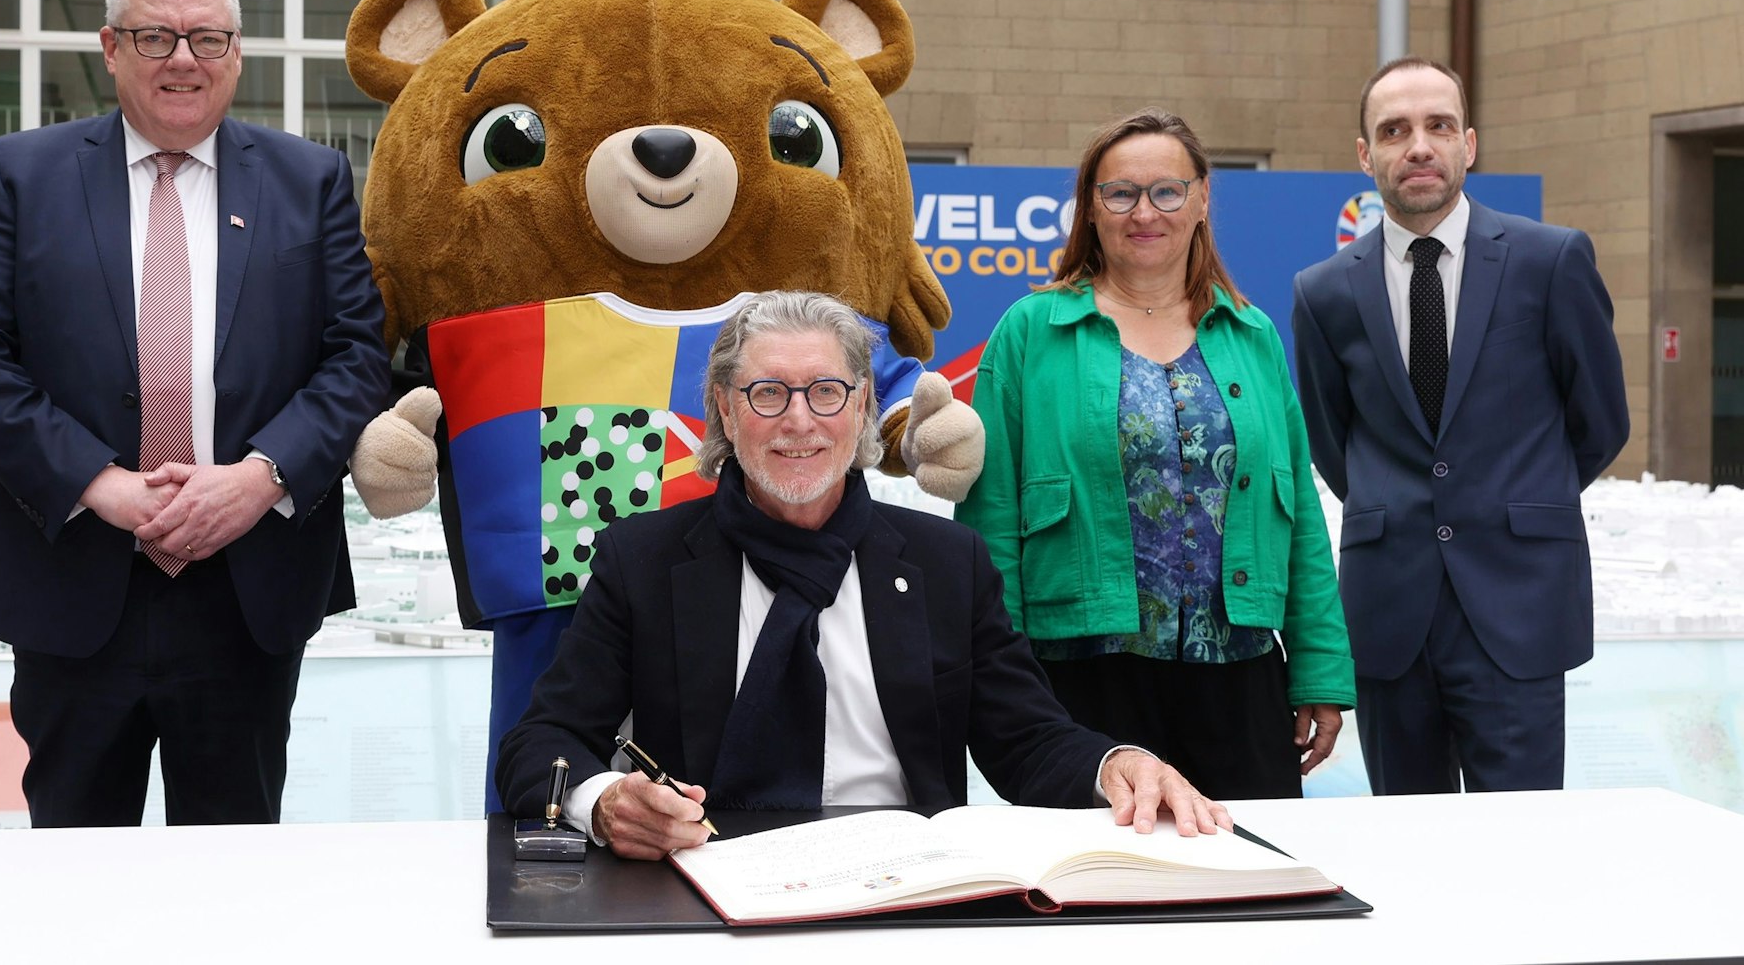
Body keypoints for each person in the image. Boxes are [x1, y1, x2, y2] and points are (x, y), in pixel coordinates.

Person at [495, 290, 1230, 860]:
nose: (798, 422)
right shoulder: (643, 560)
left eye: (825, 391)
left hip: (910, 886)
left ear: (863, 408)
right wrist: (602, 801)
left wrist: (1117, 764)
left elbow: (1025, 741)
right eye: (766, 394)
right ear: (723, 407)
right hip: (706, 876)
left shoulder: (946, 564)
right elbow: (540, 741)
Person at [0, 0, 390, 827]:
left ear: (236, 52)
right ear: (111, 48)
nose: (183, 58)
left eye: (207, 38)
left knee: (229, 880)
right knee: (73, 868)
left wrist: (260, 479)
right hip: (74, 582)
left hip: (245, 587)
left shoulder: (313, 181)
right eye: (156, 36)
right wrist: (99, 485)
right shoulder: (21, 176)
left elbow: (357, 359)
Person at [955, 108, 1355, 802]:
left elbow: (1297, 522)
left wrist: (1319, 670)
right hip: (1080, 678)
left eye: (1166, 191)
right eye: (1119, 193)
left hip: (1238, 673)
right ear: (1090, 207)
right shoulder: (1030, 332)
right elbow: (990, 522)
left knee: (1249, 885)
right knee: (1101, 891)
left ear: (1200, 200)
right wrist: (1003, 683)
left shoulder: (1249, 334)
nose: (1144, 211)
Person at [1290, 57, 1629, 794]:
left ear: (1467, 144)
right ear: (1364, 154)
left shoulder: (1550, 261)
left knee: (1526, 846)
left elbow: (1599, 421)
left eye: (1437, 126)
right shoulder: (1322, 294)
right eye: (1394, 130)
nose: (1417, 146)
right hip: (1391, 616)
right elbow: (1332, 441)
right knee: (1410, 844)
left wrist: (1514, 497)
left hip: (1518, 607)